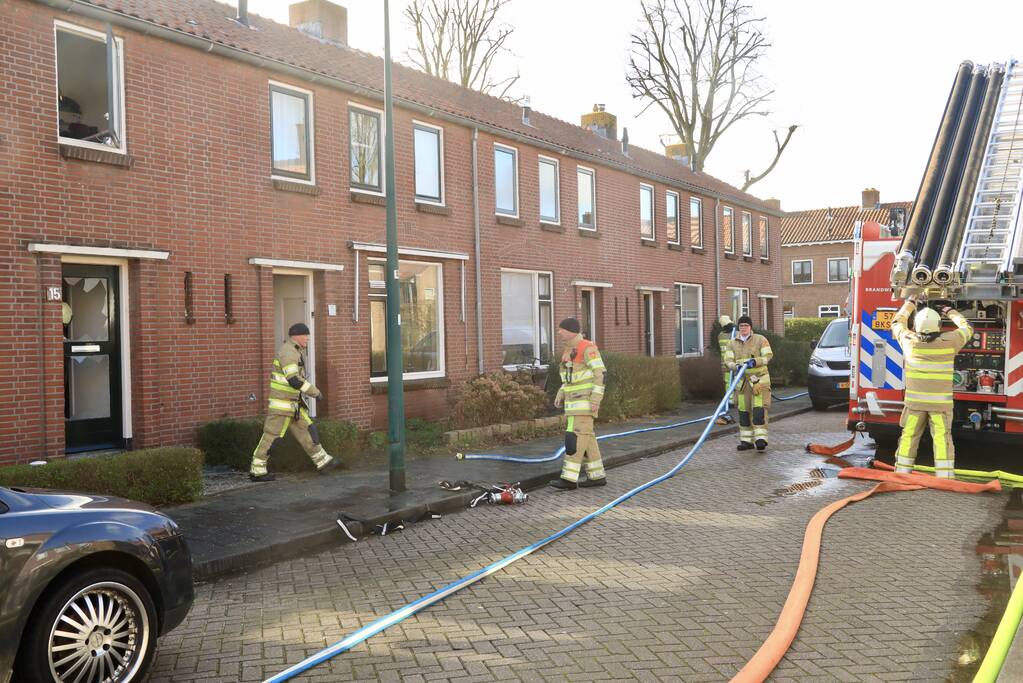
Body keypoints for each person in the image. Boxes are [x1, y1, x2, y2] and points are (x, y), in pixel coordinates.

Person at [890, 299, 971, 477]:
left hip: (914, 405)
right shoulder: (950, 341)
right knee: (942, 439)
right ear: (939, 325)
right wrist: (950, 310)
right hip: (939, 406)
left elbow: (897, 322)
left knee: (909, 436)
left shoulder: (908, 340)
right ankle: (944, 476)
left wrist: (910, 303)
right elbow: (967, 328)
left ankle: (902, 473)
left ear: (916, 325)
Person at [249, 323, 338, 482]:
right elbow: (294, 380)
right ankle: (257, 471)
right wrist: (315, 392)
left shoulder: (294, 351)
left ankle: (323, 462)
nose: (308, 339)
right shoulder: (288, 352)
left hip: (293, 405)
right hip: (282, 406)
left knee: (308, 431)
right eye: (306, 336)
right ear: (297, 336)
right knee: (271, 438)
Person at [549, 318, 607, 490]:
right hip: (575, 403)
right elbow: (571, 378)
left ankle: (568, 479)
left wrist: (595, 400)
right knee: (586, 439)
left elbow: (601, 374)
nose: (558, 332)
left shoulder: (587, 348)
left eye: (561, 330)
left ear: (570, 331)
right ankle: (597, 476)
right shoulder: (569, 350)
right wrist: (562, 391)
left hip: (584, 404)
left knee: (573, 439)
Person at [726, 315, 773, 451]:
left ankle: (760, 439)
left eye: (746, 326)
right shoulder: (732, 343)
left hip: (759, 381)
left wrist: (755, 361)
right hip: (742, 383)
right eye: (741, 326)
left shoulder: (760, 340)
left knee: (758, 410)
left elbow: (768, 356)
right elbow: (728, 361)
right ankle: (746, 441)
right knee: (743, 412)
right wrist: (735, 366)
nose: (743, 328)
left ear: (750, 327)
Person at [716, 315, 737, 425]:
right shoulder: (734, 334)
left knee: (728, 383)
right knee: (736, 382)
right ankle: (734, 401)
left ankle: (730, 400)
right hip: (734, 363)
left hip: (724, 364)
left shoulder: (720, 335)